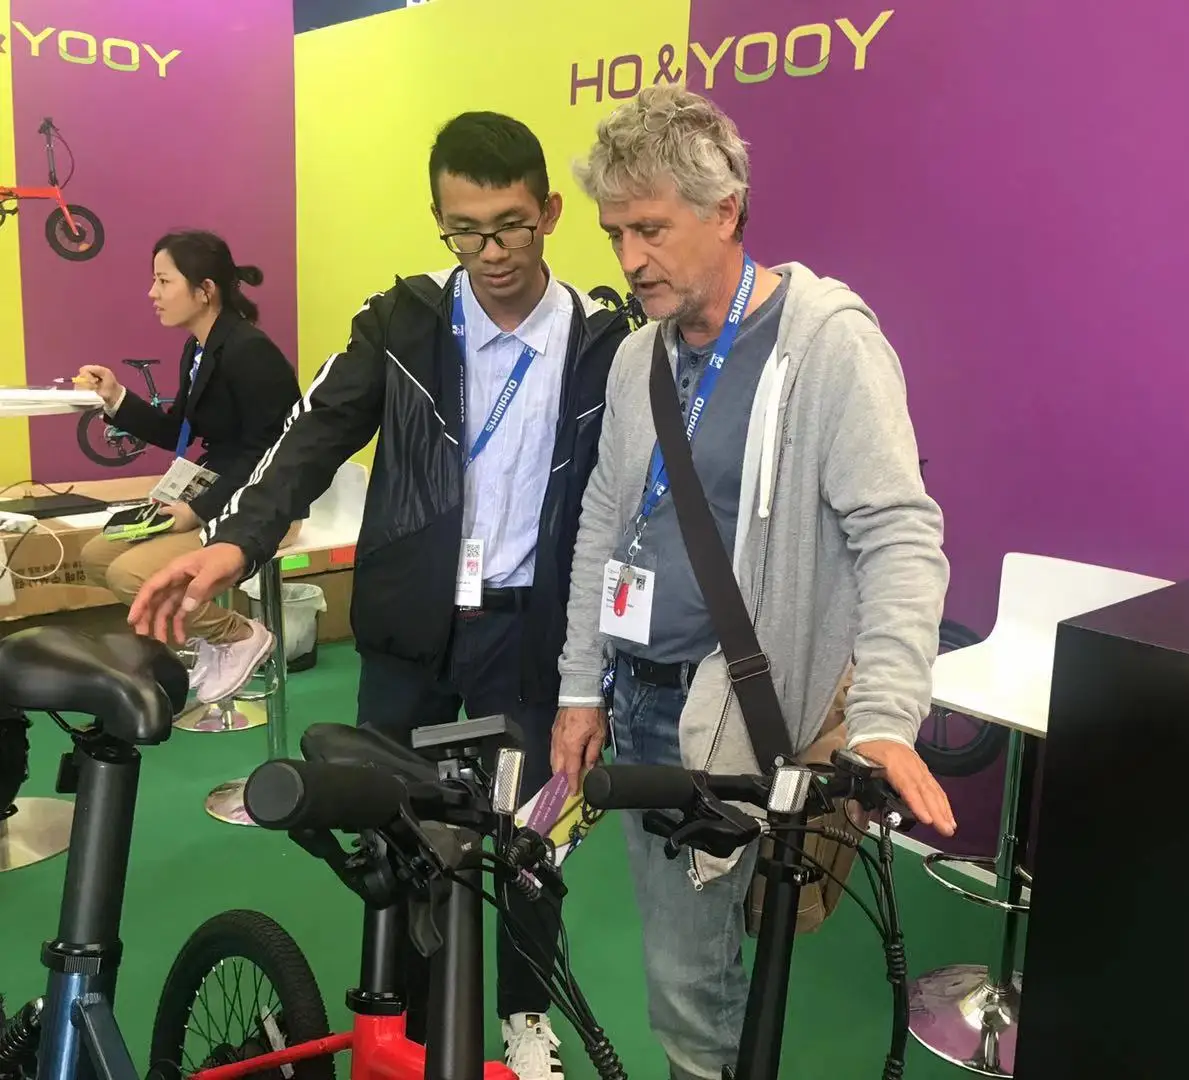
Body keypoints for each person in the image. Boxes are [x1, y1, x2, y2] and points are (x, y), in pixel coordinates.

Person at [126, 113, 631, 1080]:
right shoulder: (403, 322)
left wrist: (604, 669)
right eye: (463, 229)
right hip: (410, 627)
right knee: (398, 832)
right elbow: (311, 435)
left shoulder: (604, 342)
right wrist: (234, 541)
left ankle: (524, 1013)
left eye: (511, 226)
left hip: (531, 633)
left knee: (531, 842)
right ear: (440, 220)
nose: (490, 252)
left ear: (550, 213)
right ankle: (403, 1017)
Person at [550, 84, 957, 1080]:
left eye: (651, 229)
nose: (629, 259)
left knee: (694, 993)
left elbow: (900, 532)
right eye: (614, 234)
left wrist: (887, 715)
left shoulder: (827, 343)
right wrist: (579, 684)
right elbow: (604, 519)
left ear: (726, 210)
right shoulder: (636, 356)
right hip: (638, 698)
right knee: (689, 969)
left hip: (737, 709)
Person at [78, 231, 301, 704]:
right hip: (216, 488)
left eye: (163, 281)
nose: (152, 293)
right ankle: (209, 639)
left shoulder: (249, 352)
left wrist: (199, 509)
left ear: (205, 290)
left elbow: (277, 450)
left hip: (263, 502)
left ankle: (238, 635)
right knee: (96, 556)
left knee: (129, 575)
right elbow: (176, 429)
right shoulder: (198, 349)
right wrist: (115, 396)